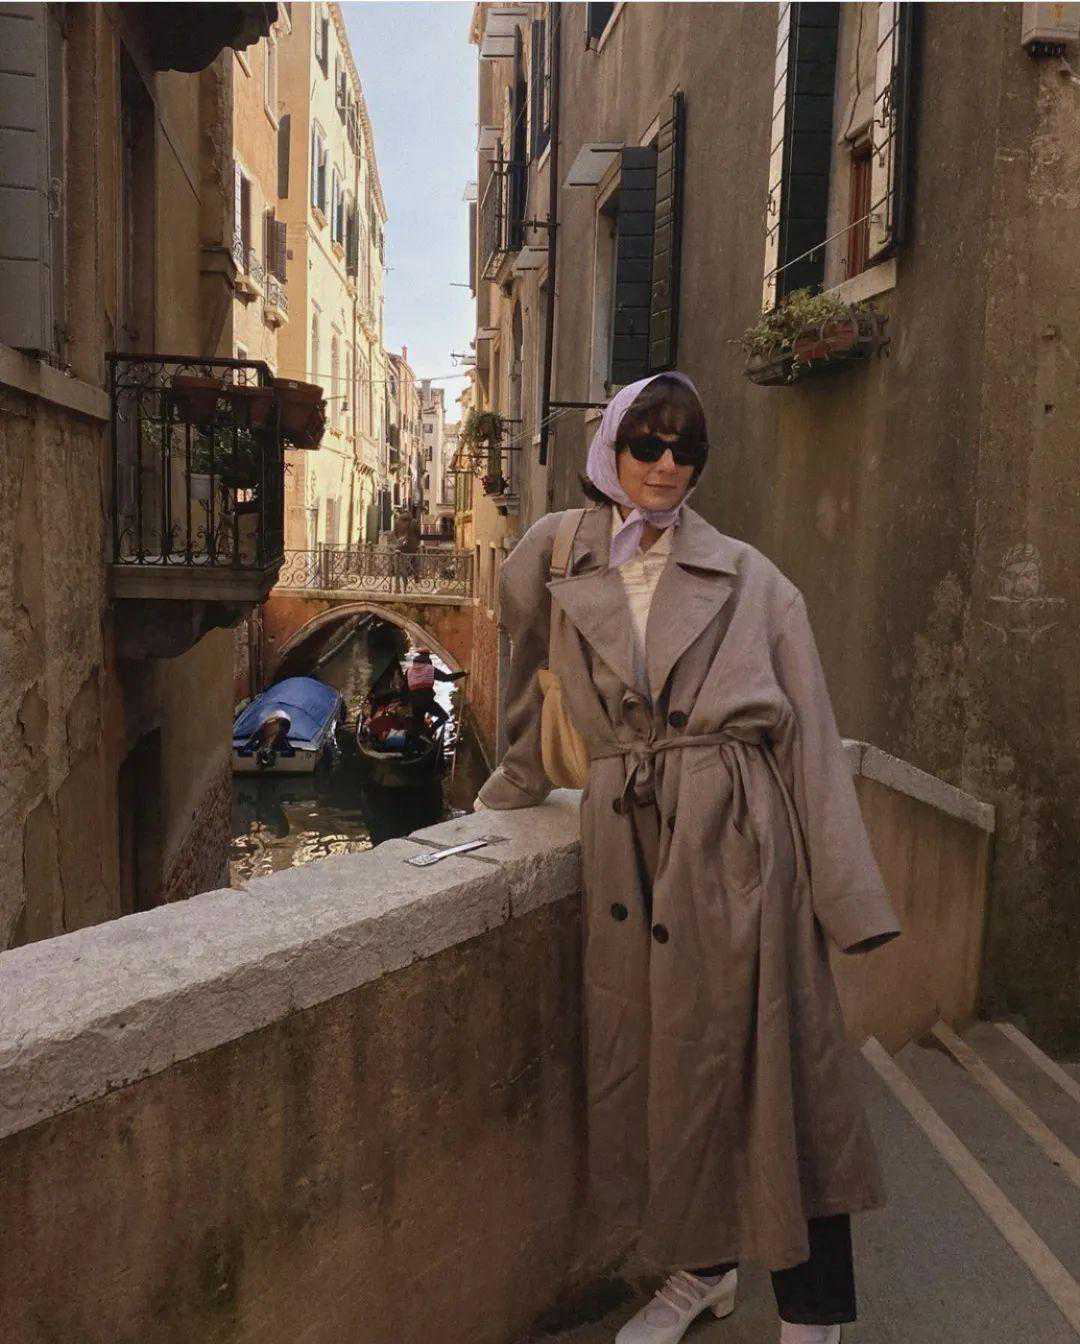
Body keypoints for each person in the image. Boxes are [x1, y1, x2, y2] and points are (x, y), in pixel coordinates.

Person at [475, 373, 900, 1344]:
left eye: (687, 449)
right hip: (627, 851)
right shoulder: (555, 555)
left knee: (781, 1076)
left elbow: (809, 733)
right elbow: (527, 680)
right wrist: (511, 784)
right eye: (648, 444)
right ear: (611, 450)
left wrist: (848, 897)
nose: (668, 465)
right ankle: (701, 1272)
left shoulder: (753, 578)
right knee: (668, 1082)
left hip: (736, 842)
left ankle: (814, 1311)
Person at [404, 648, 466, 735]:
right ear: (427, 659)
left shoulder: (409, 671)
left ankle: (417, 738)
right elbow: (446, 678)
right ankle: (429, 733)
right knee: (443, 716)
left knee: (418, 725)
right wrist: (463, 673)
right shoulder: (430, 669)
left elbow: (406, 688)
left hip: (414, 702)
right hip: (426, 700)